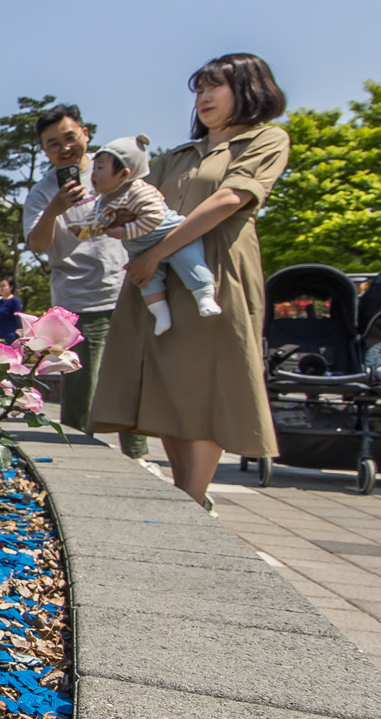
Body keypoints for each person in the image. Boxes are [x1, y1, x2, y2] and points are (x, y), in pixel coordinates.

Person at [92, 53, 292, 513]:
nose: (203, 97)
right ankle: (187, 495)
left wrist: (158, 252)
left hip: (217, 271)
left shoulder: (265, 139)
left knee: (206, 382)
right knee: (166, 381)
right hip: (156, 275)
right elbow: (145, 207)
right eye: (199, 89)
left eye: (214, 87)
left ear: (249, 90)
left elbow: (229, 199)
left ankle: (192, 497)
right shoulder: (177, 156)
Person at [24, 104, 146, 458]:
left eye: (69, 137)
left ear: (85, 134)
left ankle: (136, 455)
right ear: (44, 150)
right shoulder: (43, 193)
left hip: (128, 290)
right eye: (52, 143)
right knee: (81, 383)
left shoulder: (115, 170)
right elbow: (36, 243)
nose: (63, 147)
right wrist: (55, 209)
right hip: (79, 300)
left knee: (130, 379)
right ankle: (79, 453)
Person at [88, 135, 221, 335]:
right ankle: (161, 315)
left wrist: (125, 231)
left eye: (100, 168)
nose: (93, 174)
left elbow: (154, 217)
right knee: (148, 284)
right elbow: (100, 220)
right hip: (140, 248)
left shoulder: (141, 192)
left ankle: (205, 297)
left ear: (124, 174)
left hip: (171, 236)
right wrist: (91, 228)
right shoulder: (103, 199)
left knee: (191, 264)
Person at [0, 278, 24, 343]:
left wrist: (19, 334)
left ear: (11, 287)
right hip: (0, 335)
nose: (1, 288)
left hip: (11, 335)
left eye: (3, 286)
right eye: (0, 286)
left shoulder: (14, 301)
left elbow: (18, 318)